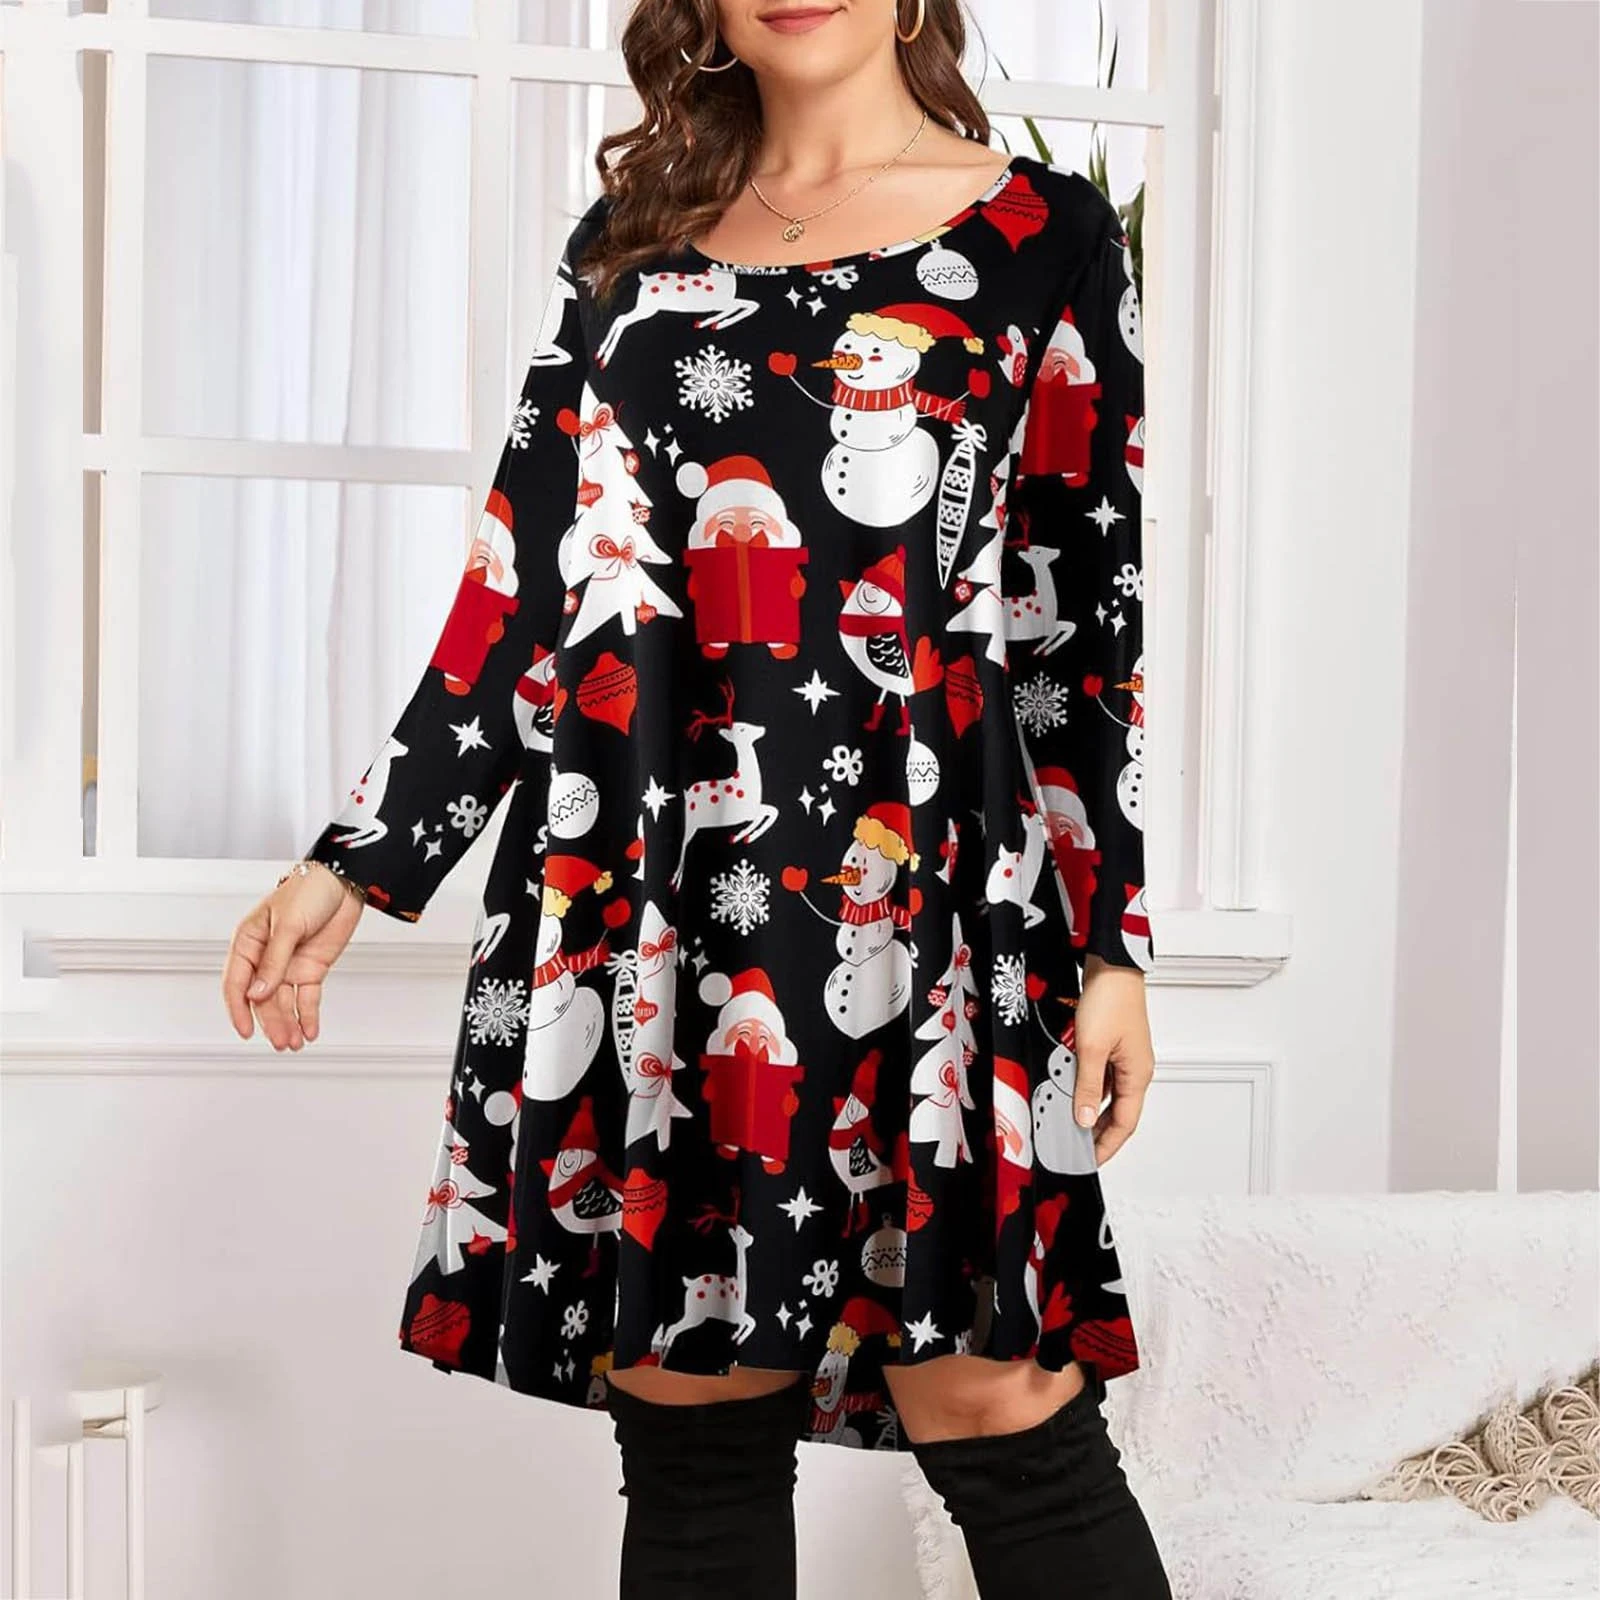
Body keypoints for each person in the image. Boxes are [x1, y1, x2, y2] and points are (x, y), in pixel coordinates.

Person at [221, 2, 1170, 1595]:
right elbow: (528, 582)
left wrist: (1111, 943)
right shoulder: (633, 246)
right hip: (662, 905)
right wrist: (356, 862)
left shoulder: (1043, 237)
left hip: (935, 913)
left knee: (1008, 1418)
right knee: (695, 1446)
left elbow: (1077, 619)